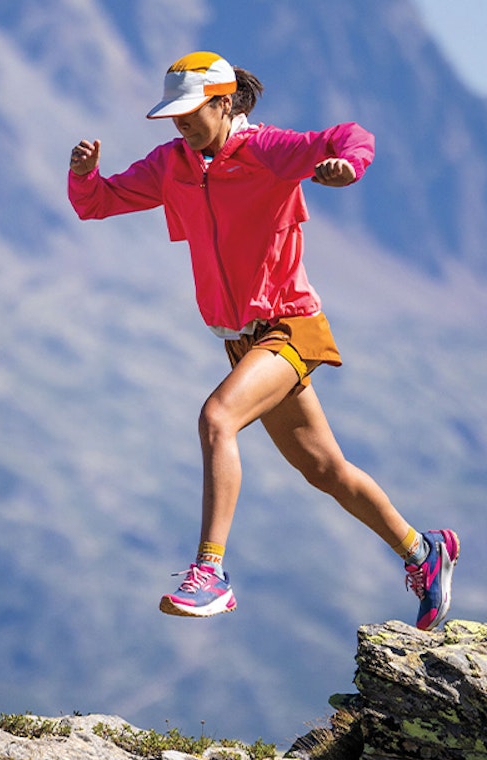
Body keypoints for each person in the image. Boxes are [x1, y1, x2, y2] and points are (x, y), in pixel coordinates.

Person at [67, 51, 459, 631]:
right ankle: (424, 553)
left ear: (225, 103)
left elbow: (352, 135)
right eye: (174, 114)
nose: (181, 123)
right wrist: (83, 175)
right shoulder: (169, 165)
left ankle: (210, 574)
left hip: (290, 325)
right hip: (241, 341)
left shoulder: (269, 150)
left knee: (217, 418)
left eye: (192, 111)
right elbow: (96, 204)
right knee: (326, 470)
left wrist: (347, 165)